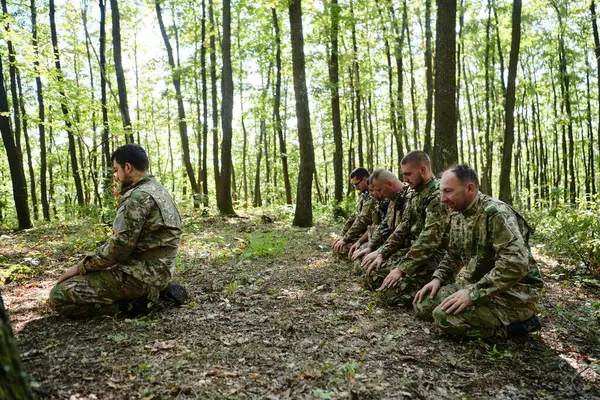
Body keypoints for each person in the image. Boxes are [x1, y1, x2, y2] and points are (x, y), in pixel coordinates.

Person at [49, 144, 187, 318]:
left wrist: (80, 267)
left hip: (140, 276)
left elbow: (118, 249)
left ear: (127, 167)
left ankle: (136, 306)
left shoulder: (136, 197)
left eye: (116, 170)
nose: (116, 176)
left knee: (59, 295)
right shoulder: (160, 191)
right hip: (161, 270)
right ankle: (157, 290)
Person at [413, 165, 543, 339]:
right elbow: (453, 254)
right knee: (422, 304)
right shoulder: (457, 213)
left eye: (448, 191)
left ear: (470, 189)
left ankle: (522, 325)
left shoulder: (496, 213)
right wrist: (438, 278)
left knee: (444, 318)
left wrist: (473, 293)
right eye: (441, 192)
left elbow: (515, 263)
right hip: (478, 284)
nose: (442, 199)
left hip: (514, 293)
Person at [362, 151, 449, 305]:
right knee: (371, 274)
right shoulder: (414, 193)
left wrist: (401, 268)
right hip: (412, 252)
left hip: (433, 257)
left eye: (408, 174)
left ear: (422, 170)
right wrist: (382, 252)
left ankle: (435, 287)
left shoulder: (437, 195)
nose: (404, 179)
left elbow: (429, 239)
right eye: (403, 174)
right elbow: (403, 227)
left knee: (387, 294)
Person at [351, 169, 408, 276]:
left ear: (389, 184)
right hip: (390, 245)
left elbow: (400, 232)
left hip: (405, 249)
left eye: (378, 190)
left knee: (371, 272)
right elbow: (383, 225)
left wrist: (380, 252)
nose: (377, 194)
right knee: (361, 260)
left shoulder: (408, 197)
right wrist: (370, 246)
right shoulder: (392, 199)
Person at [332, 168, 373, 255]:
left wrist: (345, 239)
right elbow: (355, 217)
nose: (356, 187)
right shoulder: (364, 195)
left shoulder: (373, 195)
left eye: (357, 184)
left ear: (365, 179)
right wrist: (342, 236)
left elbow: (362, 220)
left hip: (370, 235)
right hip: (363, 234)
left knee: (344, 249)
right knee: (338, 246)